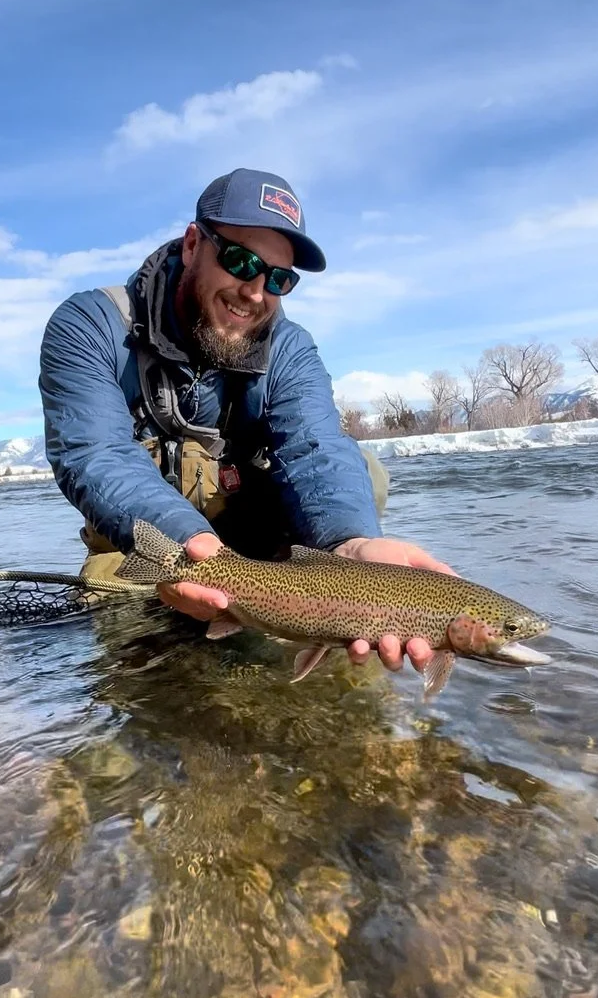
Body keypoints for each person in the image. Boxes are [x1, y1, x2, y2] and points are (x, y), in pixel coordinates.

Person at [39, 167, 453, 676]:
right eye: (240, 260)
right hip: (147, 547)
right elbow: (94, 454)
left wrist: (351, 543)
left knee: (363, 469)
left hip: (262, 563)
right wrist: (186, 547)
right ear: (193, 244)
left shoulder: (290, 349)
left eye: (279, 278)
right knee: (137, 675)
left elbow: (316, 449)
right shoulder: (92, 325)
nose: (255, 291)